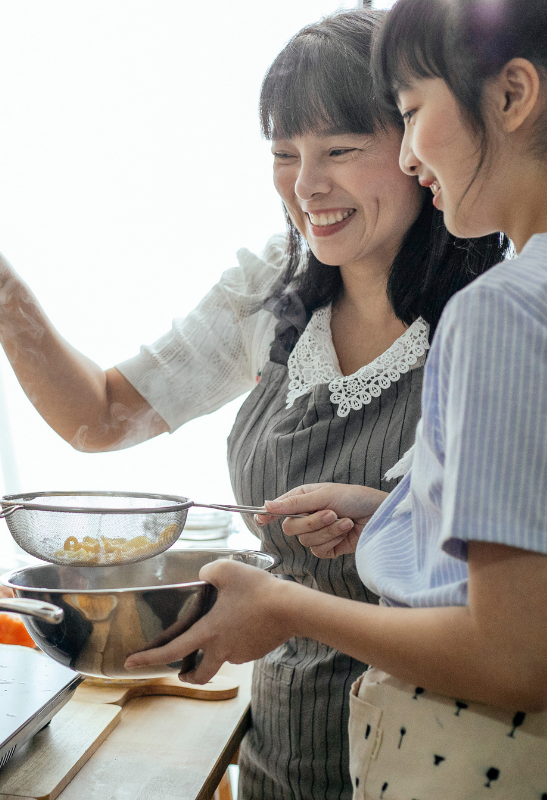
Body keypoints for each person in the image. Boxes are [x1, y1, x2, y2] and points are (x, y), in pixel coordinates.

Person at [0, 10, 505, 799]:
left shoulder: (496, 315)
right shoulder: (272, 289)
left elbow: (511, 618)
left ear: (415, 146)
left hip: (442, 764)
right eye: (283, 155)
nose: (306, 186)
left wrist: (378, 527)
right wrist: (1, 291)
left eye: (339, 150)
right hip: (280, 755)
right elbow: (103, 415)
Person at [126, 0, 547, 797]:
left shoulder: (501, 308)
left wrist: (287, 607)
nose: (414, 155)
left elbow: (516, 655)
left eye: (412, 112)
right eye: (284, 153)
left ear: (512, 95)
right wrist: (396, 517)